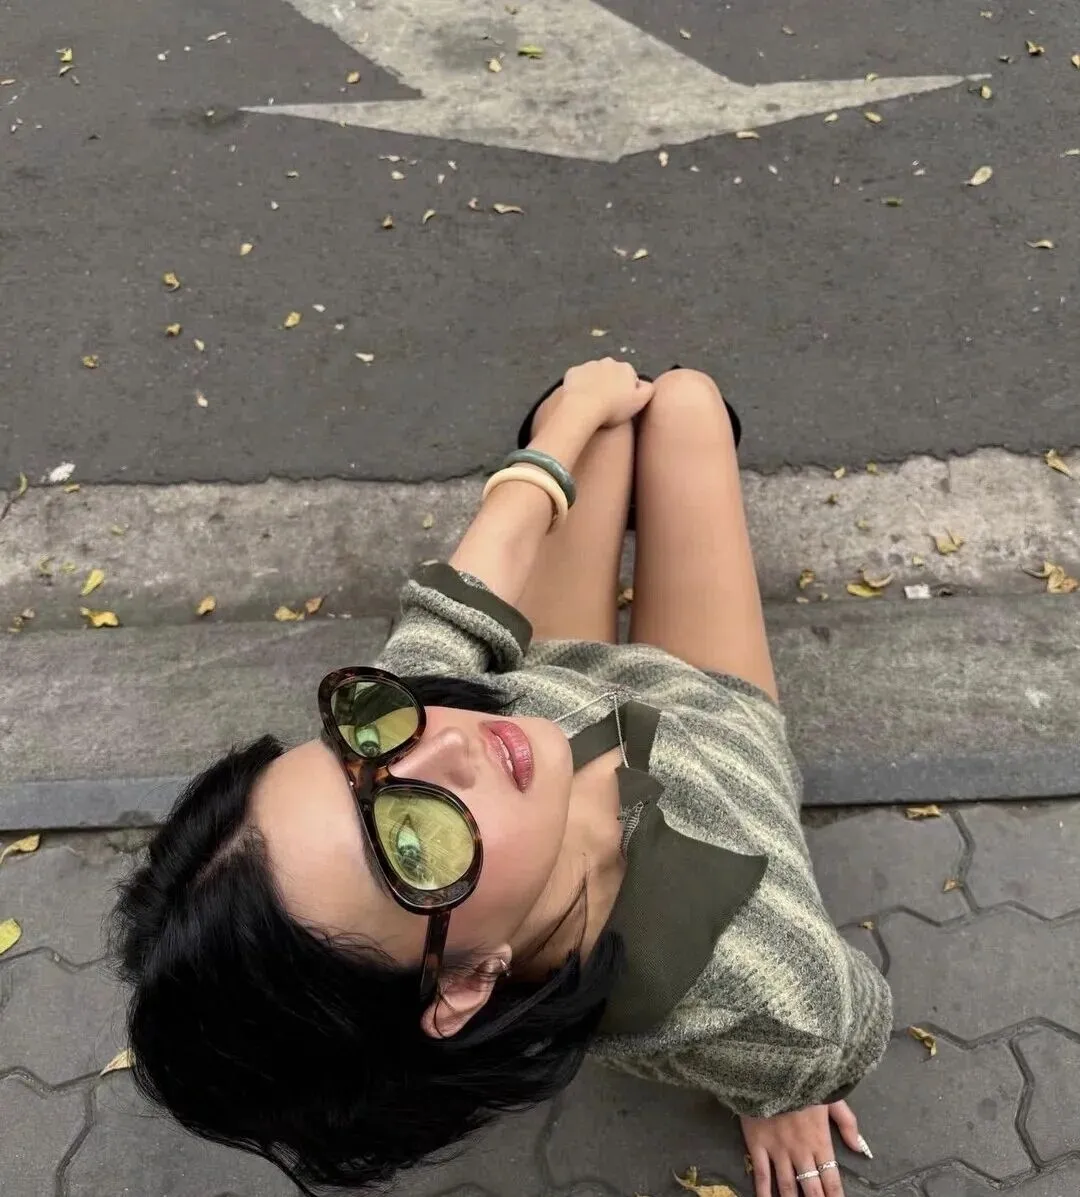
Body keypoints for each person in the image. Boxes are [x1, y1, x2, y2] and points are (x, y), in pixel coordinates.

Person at [112, 361, 893, 1197]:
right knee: (687, 403)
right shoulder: (772, 999)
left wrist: (566, 420)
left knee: (601, 417)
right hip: (718, 712)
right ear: (464, 981)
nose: (447, 743)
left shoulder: (418, 718)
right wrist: (780, 1088)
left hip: (570, 668)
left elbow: (454, 605)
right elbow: (836, 1035)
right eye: (412, 841)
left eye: (356, 745)